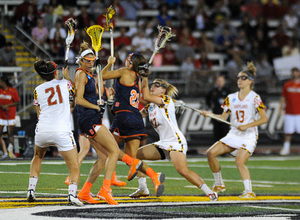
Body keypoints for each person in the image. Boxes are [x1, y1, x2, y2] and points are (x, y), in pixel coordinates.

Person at [73, 42, 144, 205]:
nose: (91, 63)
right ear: (81, 61)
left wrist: (103, 98)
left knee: (104, 156)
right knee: (113, 151)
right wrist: (95, 106)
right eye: (87, 61)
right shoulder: (81, 73)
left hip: (92, 117)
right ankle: (105, 189)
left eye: (92, 61)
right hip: (88, 119)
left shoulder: (88, 74)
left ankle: (84, 192)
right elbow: (79, 99)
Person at [128, 76, 218, 201]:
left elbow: (146, 96)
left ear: (163, 90)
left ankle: (210, 192)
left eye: (157, 85)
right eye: (152, 84)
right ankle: (143, 188)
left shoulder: (165, 99)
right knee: (134, 155)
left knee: (182, 170)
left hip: (175, 141)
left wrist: (144, 77)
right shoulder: (151, 106)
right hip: (163, 142)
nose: (153, 86)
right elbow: (136, 115)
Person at [101, 54, 165, 198]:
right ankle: (144, 187)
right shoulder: (138, 77)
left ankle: (153, 174)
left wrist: (109, 63)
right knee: (132, 157)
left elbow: (101, 75)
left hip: (123, 116)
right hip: (136, 117)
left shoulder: (124, 71)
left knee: (109, 150)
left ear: (130, 63)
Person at [202, 61, 268, 198]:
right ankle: (219, 183)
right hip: (233, 134)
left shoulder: (255, 98)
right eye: (238, 77)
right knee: (210, 153)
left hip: (249, 135)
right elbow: (223, 117)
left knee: (239, 161)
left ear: (250, 81)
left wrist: (246, 126)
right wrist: (210, 114)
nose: (239, 80)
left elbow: (264, 119)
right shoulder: (230, 98)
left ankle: (249, 191)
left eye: (243, 78)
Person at [26, 58, 83, 206]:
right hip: (61, 131)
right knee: (74, 166)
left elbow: (39, 113)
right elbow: (77, 93)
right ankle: (71, 195)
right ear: (55, 72)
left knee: (38, 156)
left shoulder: (37, 90)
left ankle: (31, 190)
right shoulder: (66, 83)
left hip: (43, 129)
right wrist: (67, 76)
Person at [279, 67, 300, 156]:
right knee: (288, 132)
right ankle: (286, 147)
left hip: (299, 113)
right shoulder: (287, 84)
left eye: (296, 72)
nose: (295, 74)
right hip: (289, 112)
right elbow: (283, 97)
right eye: (293, 72)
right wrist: (280, 109)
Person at [206, 75, 231, 142]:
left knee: (225, 132)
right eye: (219, 81)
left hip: (225, 115)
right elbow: (207, 99)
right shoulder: (213, 92)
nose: (220, 82)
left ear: (224, 82)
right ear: (216, 82)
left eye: (221, 81)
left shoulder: (228, 91)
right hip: (216, 114)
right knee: (217, 132)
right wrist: (210, 105)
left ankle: (225, 148)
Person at [0, 75, 20, 159]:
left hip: (10, 115)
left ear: (4, 82)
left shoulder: (13, 90)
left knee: (10, 134)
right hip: (1, 115)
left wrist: (8, 105)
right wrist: (2, 105)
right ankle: (4, 152)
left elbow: (17, 101)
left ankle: (10, 151)